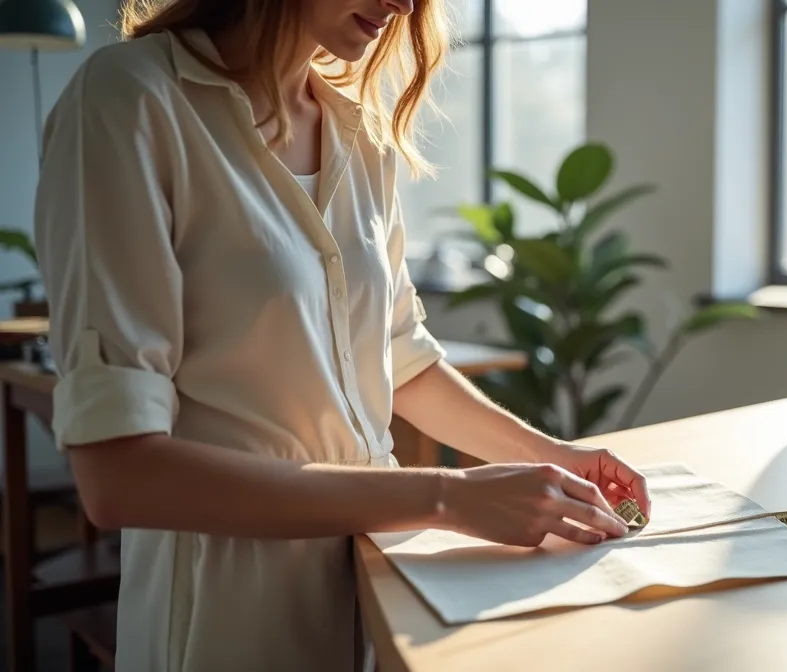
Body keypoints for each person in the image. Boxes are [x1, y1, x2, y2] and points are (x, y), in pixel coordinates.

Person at [32, 1, 651, 670]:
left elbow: (398, 355)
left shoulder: (359, 133)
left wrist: (553, 455)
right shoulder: (131, 100)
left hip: (377, 582)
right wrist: (449, 497)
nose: (405, 5)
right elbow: (119, 477)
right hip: (227, 612)